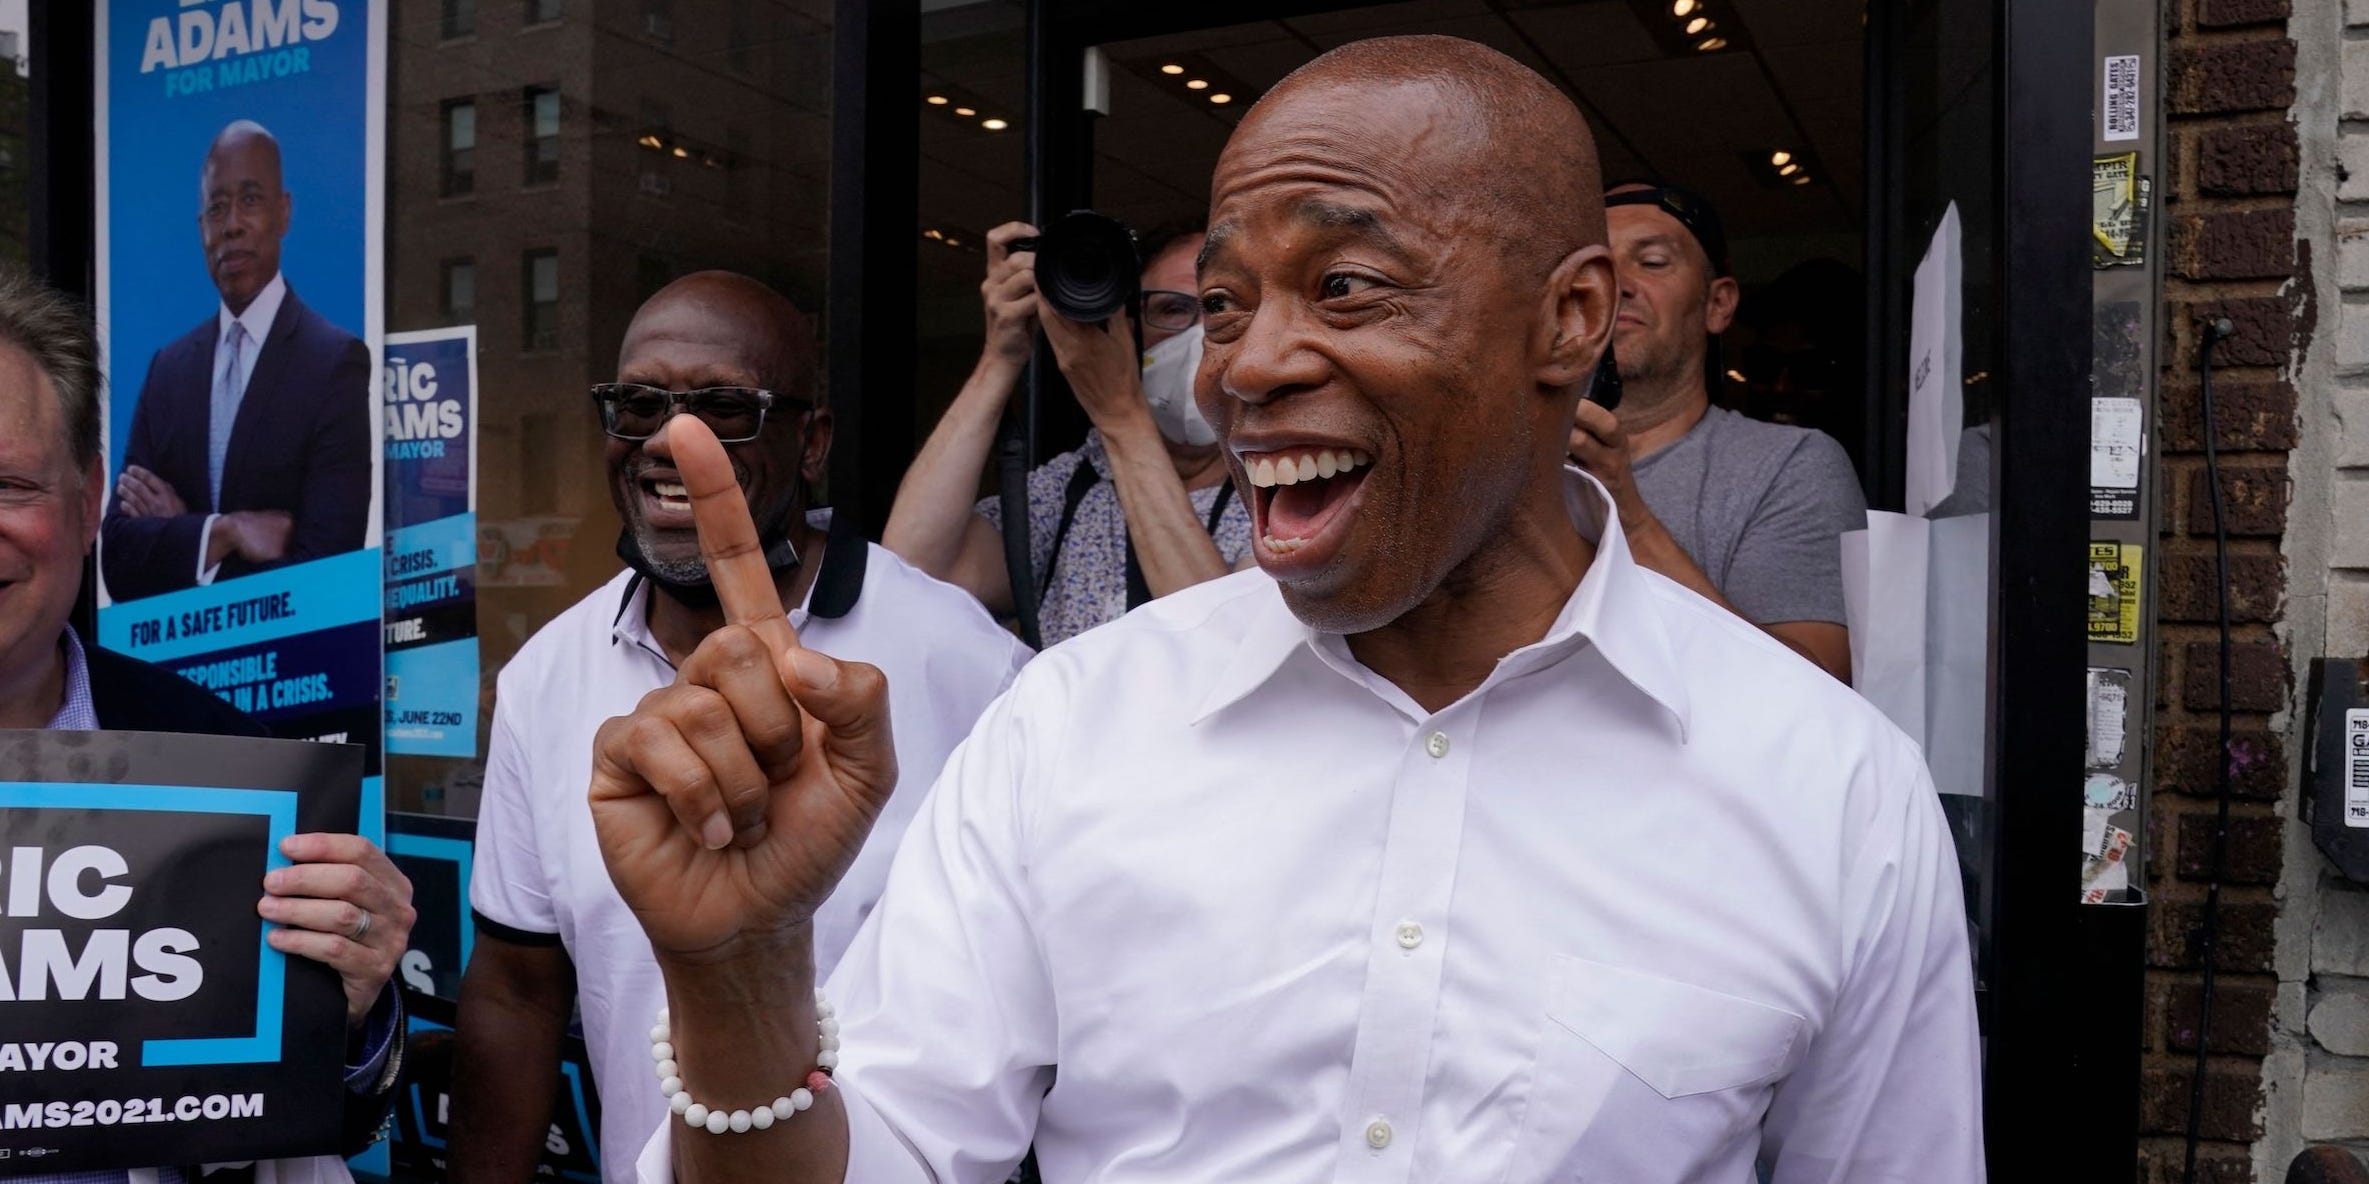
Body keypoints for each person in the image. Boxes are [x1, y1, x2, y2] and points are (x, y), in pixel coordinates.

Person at [588, 36, 1981, 1184]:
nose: (1242, 371)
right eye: (1227, 308)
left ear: (1570, 322)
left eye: (1344, 286)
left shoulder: (1826, 789)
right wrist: (743, 980)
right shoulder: (1069, 730)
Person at [449, 273, 1032, 1184]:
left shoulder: (968, 665)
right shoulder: (544, 679)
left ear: (813, 443)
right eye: (638, 404)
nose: (670, 441)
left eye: (725, 407)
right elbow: (518, 988)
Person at [0, 268, 409, 1184]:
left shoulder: (239, 772)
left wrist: (350, 1006)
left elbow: (333, 1119)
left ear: (88, 493)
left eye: (8, 483)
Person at [884, 222, 1252, 646]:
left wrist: (1120, 418)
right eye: (1172, 309)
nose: (1196, 335)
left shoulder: (1277, 489)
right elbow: (910, 568)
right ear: (1125, 322)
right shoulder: (1073, 487)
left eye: (1218, 307)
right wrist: (1000, 358)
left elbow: (1221, 647)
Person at [1566, 180, 1866, 682]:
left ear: (1718, 305)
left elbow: (1816, 692)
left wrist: (1628, 517)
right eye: (1594, 268)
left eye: (1653, 261)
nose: (1617, 283)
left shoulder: (1789, 464)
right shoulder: (1511, 465)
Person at [100, 120, 372, 601]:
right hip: (174, 672)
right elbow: (118, 561)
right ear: (201, 227)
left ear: (283, 213)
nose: (232, 225)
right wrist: (222, 533)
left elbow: (327, 573)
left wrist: (179, 538)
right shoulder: (169, 369)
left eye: (250, 200)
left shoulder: (333, 363)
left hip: (289, 669)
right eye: (216, 207)